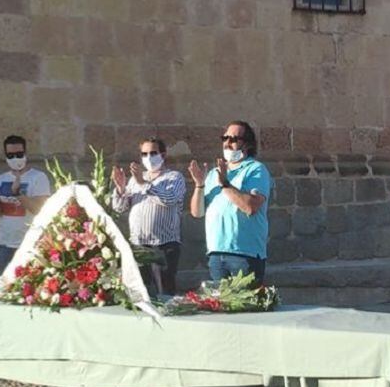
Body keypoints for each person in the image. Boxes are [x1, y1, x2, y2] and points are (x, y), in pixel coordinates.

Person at [188, 120, 272, 283]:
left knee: (247, 299)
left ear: (247, 144)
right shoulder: (214, 173)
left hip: (244, 253)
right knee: (221, 300)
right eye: (225, 138)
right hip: (217, 252)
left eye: (233, 139)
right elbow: (197, 212)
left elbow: (250, 207)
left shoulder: (255, 169)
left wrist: (225, 184)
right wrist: (199, 185)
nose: (227, 143)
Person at [111, 137, 187, 294]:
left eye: (153, 153)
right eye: (144, 154)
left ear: (163, 155)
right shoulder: (135, 180)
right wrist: (120, 188)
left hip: (164, 244)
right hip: (139, 244)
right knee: (141, 291)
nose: (148, 157)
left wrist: (144, 184)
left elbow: (170, 199)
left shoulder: (174, 177)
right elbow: (119, 208)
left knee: (165, 291)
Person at [0, 135, 51, 274]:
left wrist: (17, 193)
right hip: (5, 244)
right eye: (10, 155)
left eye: (19, 154)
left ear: (25, 153)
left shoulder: (38, 177)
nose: (15, 158)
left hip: (31, 244)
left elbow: (39, 210)